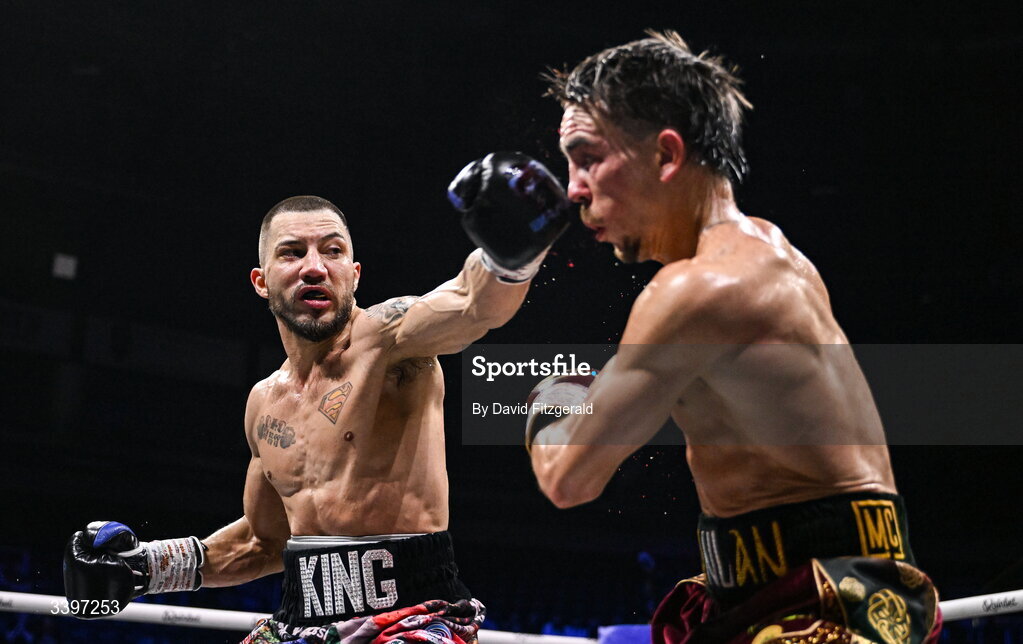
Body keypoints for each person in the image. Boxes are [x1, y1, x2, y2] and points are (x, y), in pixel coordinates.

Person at [523, 31, 941, 643]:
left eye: (587, 157)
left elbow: (569, 478)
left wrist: (546, 403)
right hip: (802, 587)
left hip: (823, 608)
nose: (575, 189)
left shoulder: (695, 291)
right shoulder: (769, 250)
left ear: (667, 156)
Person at [63, 152, 571, 644]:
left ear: (354, 274)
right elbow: (262, 543)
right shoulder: (264, 403)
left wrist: (514, 253)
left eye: (332, 251)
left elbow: (472, 305)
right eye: (291, 252)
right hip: (300, 621)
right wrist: (146, 567)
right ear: (261, 282)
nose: (314, 267)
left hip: (412, 619)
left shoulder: (390, 342)